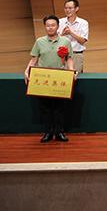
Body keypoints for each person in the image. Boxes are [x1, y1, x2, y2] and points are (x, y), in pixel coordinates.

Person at [24, 15, 75, 143]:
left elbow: (69, 58)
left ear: (57, 26)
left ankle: (59, 132)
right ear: (45, 27)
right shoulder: (39, 41)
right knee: (45, 108)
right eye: (48, 25)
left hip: (59, 79)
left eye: (53, 25)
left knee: (59, 108)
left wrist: (72, 71)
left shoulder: (65, 42)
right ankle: (48, 133)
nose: (50, 27)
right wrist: (27, 70)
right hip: (43, 80)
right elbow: (34, 59)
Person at [58, 0, 89, 73]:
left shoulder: (83, 23)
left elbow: (82, 41)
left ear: (76, 9)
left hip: (76, 55)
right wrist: (63, 34)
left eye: (70, 8)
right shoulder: (60, 22)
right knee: (61, 77)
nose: (67, 10)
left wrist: (71, 33)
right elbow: (55, 40)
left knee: (75, 77)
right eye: (66, 8)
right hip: (61, 56)